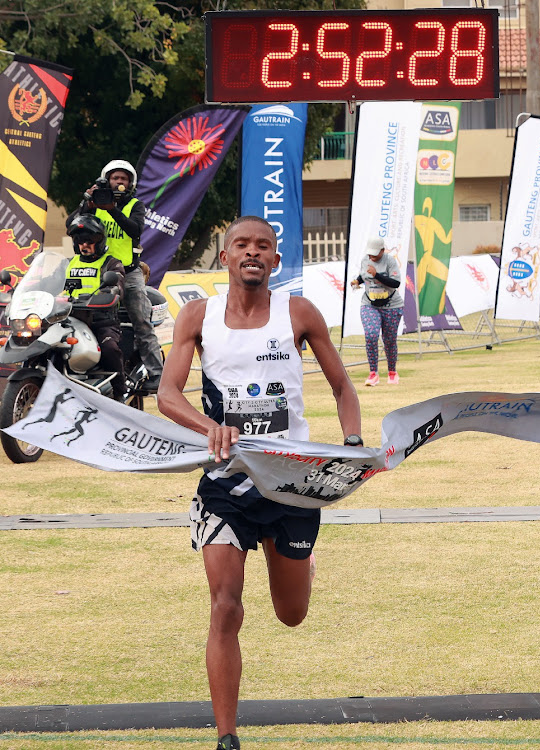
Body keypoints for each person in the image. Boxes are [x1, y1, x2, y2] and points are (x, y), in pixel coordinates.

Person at [157, 215, 362, 750]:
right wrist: (212, 428)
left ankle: (302, 561)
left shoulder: (298, 313)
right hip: (226, 484)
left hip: (292, 483)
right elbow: (168, 396)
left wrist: (353, 441)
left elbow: (342, 386)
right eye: (242, 245)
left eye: (264, 246)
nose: (253, 252)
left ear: (275, 259)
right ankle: (227, 736)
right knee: (226, 604)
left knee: (291, 615)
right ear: (224, 257)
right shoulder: (198, 317)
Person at [66, 159, 163, 392]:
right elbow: (72, 224)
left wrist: (112, 209)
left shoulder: (135, 205)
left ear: (131, 183)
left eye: (124, 178)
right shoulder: (95, 204)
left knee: (141, 322)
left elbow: (135, 230)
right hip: (96, 271)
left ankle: (158, 375)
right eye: (115, 178)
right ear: (106, 180)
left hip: (129, 273)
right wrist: (87, 201)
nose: (120, 182)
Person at [66, 215, 126, 401]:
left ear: (99, 241)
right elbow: (50, 283)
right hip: (70, 321)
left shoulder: (111, 263)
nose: (84, 245)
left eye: (89, 241)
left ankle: (120, 391)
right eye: (80, 241)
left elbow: (118, 286)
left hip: (102, 320)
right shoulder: (68, 263)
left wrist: (110, 291)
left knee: (109, 348)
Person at [350, 236, 403, 386]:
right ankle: (373, 373)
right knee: (371, 334)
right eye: (370, 253)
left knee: (389, 340)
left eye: (375, 253)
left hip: (391, 306)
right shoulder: (365, 260)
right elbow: (363, 275)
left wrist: (377, 275)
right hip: (369, 304)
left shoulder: (390, 261)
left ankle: (392, 372)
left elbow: (396, 282)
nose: (372, 256)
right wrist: (357, 281)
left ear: (382, 250)